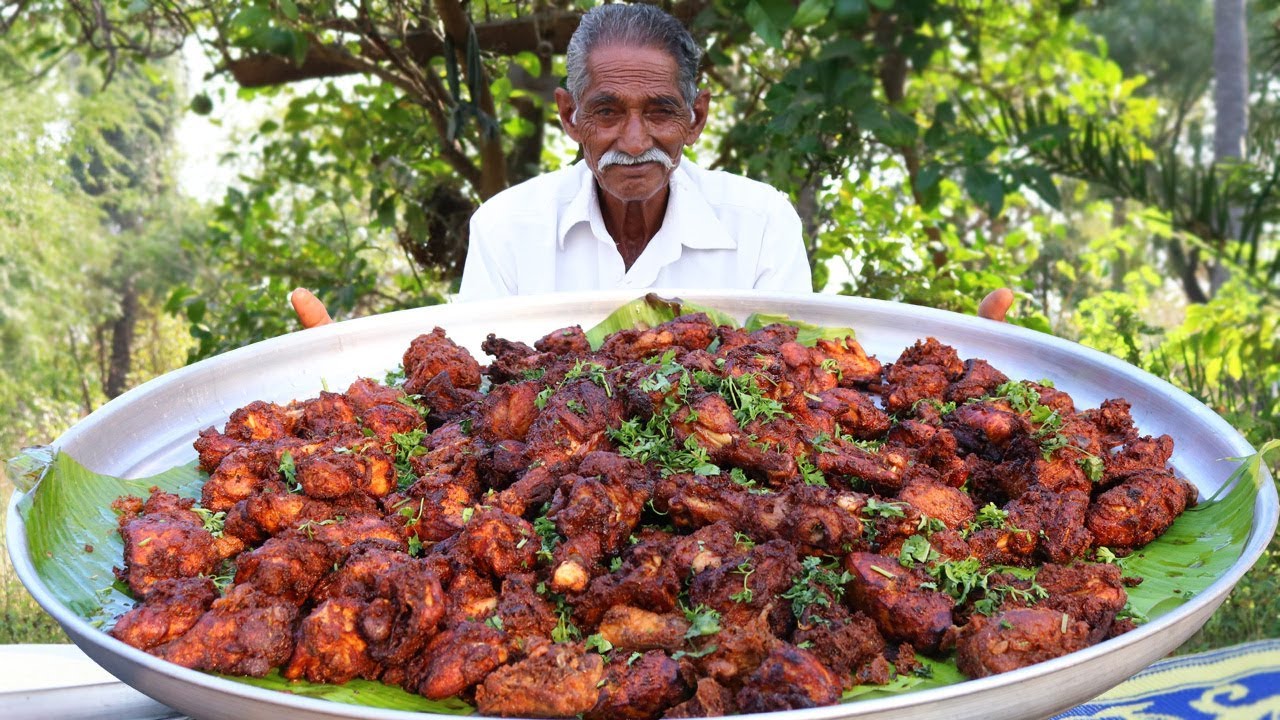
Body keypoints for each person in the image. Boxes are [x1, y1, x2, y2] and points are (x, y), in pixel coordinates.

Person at [290, 3, 1012, 326]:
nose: (634, 139)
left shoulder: (760, 222)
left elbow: (800, 396)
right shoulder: (507, 227)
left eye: (659, 111)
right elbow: (472, 397)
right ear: (570, 120)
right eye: (607, 112)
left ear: (695, 120)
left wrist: (962, 377)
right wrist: (344, 390)